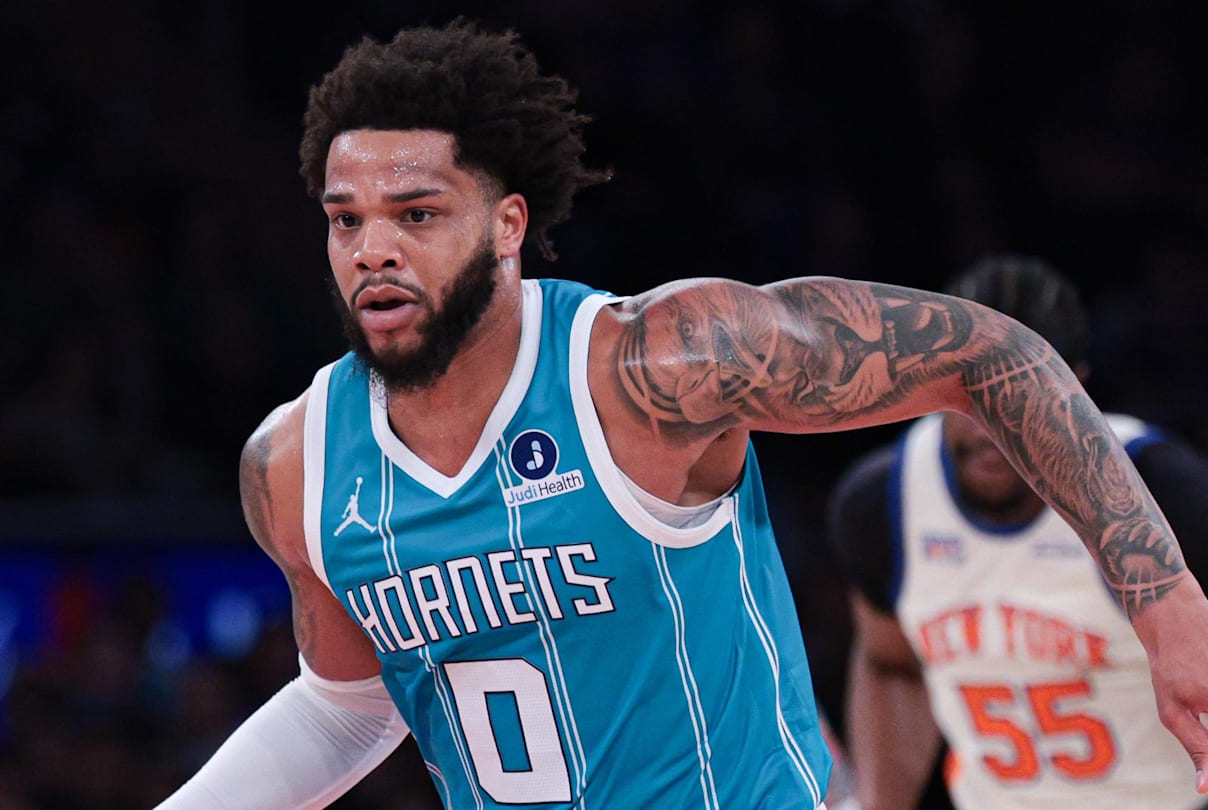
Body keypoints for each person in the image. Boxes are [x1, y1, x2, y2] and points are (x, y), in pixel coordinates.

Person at [155, 19, 1208, 810]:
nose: (372, 249)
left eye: (416, 214)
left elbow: (991, 356)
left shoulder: (656, 366)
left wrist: (1164, 605)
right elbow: (346, 704)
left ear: (508, 223)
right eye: (347, 221)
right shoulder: (296, 464)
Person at [827, 255, 1208, 810]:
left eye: (1018, 402)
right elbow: (892, 665)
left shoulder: (1160, 488)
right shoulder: (882, 499)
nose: (993, 429)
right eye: (969, 396)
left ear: (1075, 394)